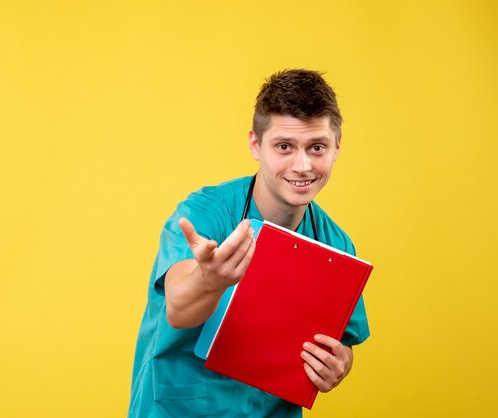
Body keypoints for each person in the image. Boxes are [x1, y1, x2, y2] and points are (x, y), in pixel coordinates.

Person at [128, 69, 370, 417]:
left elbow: (343, 340)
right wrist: (208, 280)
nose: (302, 166)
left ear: (337, 148)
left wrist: (339, 363)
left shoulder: (336, 244)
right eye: (284, 146)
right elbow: (178, 309)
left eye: (317, 147)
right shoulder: (205, 214)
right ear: (256, 145)